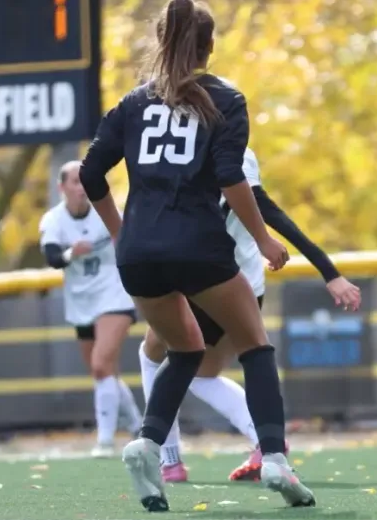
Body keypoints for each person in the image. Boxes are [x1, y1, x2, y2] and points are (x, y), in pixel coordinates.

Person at [78, 0, 315, 511]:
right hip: (198, 247)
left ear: (161, 40)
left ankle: (147, 444)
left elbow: (90, 174)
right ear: (209, 47)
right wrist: (264, 239)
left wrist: (120, 233)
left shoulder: (133, 102)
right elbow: (231, 177)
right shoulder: (226, 100)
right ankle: (275, 458)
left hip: (139, 253)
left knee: (184, 348)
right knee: (255, 346)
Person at [138, 145, 362, 483]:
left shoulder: (197, 148)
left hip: (206, 279)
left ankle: (169, 460)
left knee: (155, 356)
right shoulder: (230, 149)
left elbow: (263, 208)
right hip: (245, 285)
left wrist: (329, 272)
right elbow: (263, 210)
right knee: (201, 374)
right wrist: (329, 272)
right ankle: (264, 440)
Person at [40, 160, 143, 458]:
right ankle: (137, 425)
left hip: (114, 295)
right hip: (81, 301)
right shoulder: (54, 220)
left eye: (84, 181)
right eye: (74, 182)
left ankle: (105, 441)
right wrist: (71, 253)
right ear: (62, 187)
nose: (81, 188)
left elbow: (131, 240)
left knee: (100, 365)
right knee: (104, 372)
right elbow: (52, 257)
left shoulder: (107, 212)